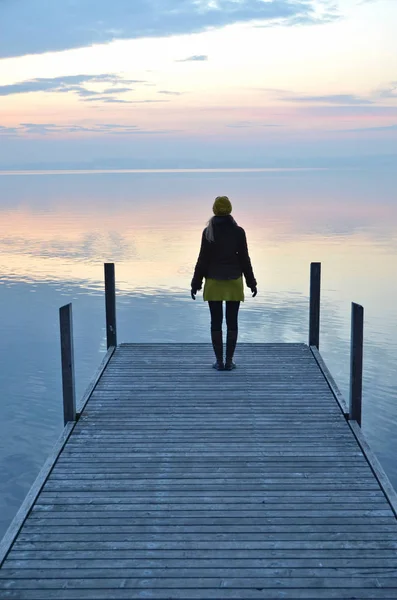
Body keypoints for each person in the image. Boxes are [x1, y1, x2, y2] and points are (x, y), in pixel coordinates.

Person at [191, 196, 257, 371]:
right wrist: (251, 282)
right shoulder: (238, 232)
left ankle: (219, 362)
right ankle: (229, 361)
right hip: (234, 281)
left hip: (213, 282)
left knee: (216, 322)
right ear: (230, 210)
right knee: (232, 321)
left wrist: (195, 283)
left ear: (214, 210)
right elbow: (244, 259)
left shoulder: (208, 231)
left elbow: (202, 260)